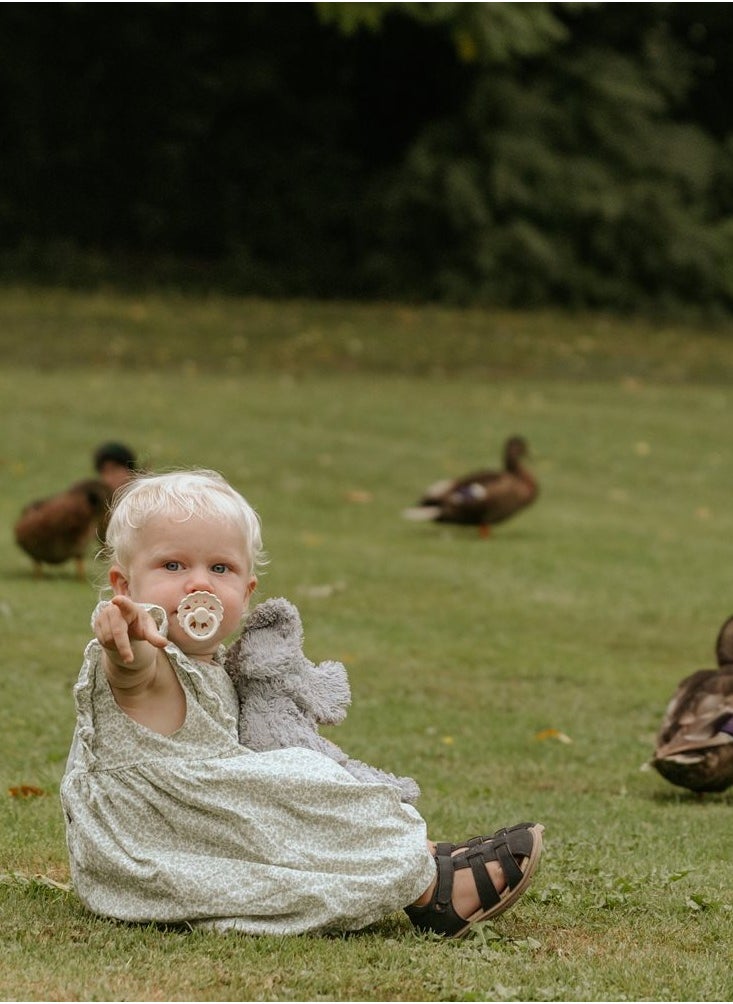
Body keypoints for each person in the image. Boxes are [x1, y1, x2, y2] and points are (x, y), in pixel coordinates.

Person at [60, 469, 544, 938]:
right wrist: (125, 636)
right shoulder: (149, 657)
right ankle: (433, 890)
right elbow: (131, 676)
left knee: (299, 793)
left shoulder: (215, 666)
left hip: (200, 829)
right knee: (303, 780)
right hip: (149, 848)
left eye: (220, 568)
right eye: (173, 566)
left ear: (246, 593)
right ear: (124, 587)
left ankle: (425, 855)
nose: (199, 584)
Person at [91, 442, 139, 543]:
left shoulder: (143, 501)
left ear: (129, 471)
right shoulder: (100, 507)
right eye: (105, 472)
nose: (109, 479)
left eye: (115, 470)